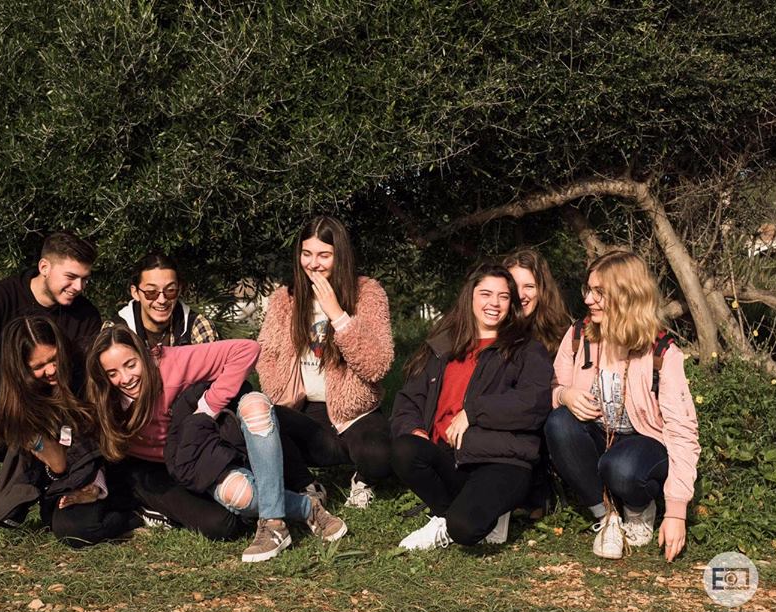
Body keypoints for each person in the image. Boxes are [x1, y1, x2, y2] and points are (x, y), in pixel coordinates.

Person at [87, 325, 346, 560]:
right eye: (112, 373)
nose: (125, 378)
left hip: (213, 433)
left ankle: (275, 520)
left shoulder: (170, 363)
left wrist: (207, 407)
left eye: (130, 364)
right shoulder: (107, 401)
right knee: (236, 501)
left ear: (143, 355)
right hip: (183, 459)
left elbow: (247, 349)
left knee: (259, 409)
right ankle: (306, 507)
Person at [545, 250, 700, 562]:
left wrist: (676, 512)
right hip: (596, 435)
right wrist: (564, 395)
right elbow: (553, 389)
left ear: (628, 295)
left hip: (643, 446)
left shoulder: (661, 353)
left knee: (621, 467)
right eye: (588, 289)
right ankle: (607, 517)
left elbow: (682, 432)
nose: (588, 299)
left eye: (599, 292)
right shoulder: (578, 335)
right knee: (558, 423)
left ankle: (639, 507)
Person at [390, 262, 553, 550]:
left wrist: (474, 412)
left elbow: (534, 403)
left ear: (511, 303)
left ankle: (473, 515)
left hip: (501, 460)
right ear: (470, 297)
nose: (494, 303)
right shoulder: (443, 346)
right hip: (449, 456)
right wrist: (414, 429)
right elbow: (409, 399)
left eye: (503, 296)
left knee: (465, 530)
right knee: (405, 448)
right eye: (486, 294)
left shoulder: (526, 349)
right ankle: (444, 514)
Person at [0, 232, 102, 517]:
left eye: (85, 279)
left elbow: (82, 376)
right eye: (70, 277)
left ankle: (57, 480)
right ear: (44, 267)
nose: (78, 287)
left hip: (55, 412)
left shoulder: (87, 315)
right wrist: (21, 383)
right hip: (3, 410)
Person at [257, 216, 394, 508]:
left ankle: (363, 480)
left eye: (324, 255)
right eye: (306, 254)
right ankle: (307, 484)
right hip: (306, 410)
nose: (313, 263)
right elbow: (267, 354)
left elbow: (377, 364)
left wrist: (338, 315)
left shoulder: (367, 293)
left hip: (355, 412)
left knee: (380, 456)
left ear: (339, 255)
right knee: (262, 424)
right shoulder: (285, 298)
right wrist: (281, 393)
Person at [0, 316, 140, 547]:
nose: (51, 370)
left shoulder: (86, 369)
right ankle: (126, 511)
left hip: (110, 466)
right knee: (70, 529)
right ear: (22, 370)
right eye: (38, 367)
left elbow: (104, 439)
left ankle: (135, 510)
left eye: (54, 358)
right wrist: (57, 473)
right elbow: (48, 465)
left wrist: (94, 484)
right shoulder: (23, 403)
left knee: (85, 518)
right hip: (69, 480)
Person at [502, 248, 571, 517]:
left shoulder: (562, 333)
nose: (521, 294)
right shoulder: (493, 329)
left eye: (529, 286)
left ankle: (539, 492)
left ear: (542, 290)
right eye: (514, 285)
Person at [116, 252, 220, 351]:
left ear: (179, 290)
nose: (162, 300)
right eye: (151, 292)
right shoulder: (117, 331)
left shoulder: (197, 325)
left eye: (170, 291)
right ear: (135, 293)